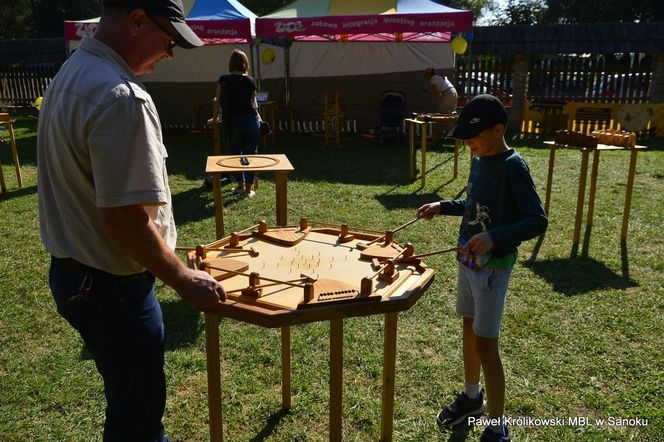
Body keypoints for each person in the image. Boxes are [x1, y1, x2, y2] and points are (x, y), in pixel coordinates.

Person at [37, 1, 226, 440]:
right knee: (138, 420)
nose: (171, 52)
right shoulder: (121, 96)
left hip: (77, 277)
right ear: (138, 21)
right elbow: (123, 219)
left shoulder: (73, 71)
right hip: (112, 289)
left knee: (126, 402)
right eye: (169, 40)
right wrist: (183, 277)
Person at [416, 95, 548, 442]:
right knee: (469, 328)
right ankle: (472, 396)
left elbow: (537, 220)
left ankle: (497, 425)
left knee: (487, 345)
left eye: (473, 136)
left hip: (493, 268)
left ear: (499, 129)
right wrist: (443, 206)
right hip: (468, 262)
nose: (468, 143)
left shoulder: (513, 166)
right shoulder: (480, 159)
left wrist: (495, 236)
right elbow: (474, 204)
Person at [216, 49, 262, 198]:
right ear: (245, 64)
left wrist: (215, 117)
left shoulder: (224, 79)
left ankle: (240, 185)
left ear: (231, 63)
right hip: (251, 121)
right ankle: (248, 190)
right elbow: (254, 104)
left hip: (234, 121)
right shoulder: (251, 80)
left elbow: (218, 101)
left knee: (235, 155)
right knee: (250, 155)